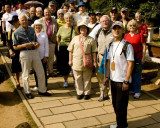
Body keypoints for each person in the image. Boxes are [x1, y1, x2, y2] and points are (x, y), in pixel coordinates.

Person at [13, 14, 51, 99]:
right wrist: (24, 45)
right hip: (24, 53)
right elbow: (15, 46)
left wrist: (36, 44)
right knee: (26, 74)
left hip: (34, 52)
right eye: (22, 20)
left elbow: (35, 41)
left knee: (41, 72)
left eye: (26, 20)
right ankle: (27, 92)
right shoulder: (16, 32)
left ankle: (42, 90)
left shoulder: (31, 29)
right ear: (19, 21)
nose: (24, 21)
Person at [104, 21, 134, 128]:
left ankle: (122, 125)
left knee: (121, 106)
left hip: (122, 81)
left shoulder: (127, 45)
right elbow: (108, 62)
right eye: (114, 28)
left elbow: (131, 64)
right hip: (113, 79)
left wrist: (126, 80)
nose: (116, 30)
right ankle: (120, 123)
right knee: (115, 105)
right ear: (111, 30)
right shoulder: (111, 44)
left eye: (119, 28)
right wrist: (107, 76)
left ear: (122, 30)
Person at [68, 20, 97, 100]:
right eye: (81, 28)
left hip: (87, 61)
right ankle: (79, 92)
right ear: (79, 29)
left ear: (87, 29)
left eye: (84, 28)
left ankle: (87, 92)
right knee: (77, 78)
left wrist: (94, 61)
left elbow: (94, 51)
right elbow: (70, 50)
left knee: (87, 78)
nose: (83, 29)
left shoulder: (91, 39)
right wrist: (70, 60)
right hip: (76, 61)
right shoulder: (75, 38)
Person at [124, 19, 146, 99]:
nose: (132, 27)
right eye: (130, 25)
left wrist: (143, 57)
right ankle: (131, 89)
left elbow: (144, 46)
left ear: (136, 26)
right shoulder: (126, 35)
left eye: (133, 25)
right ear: (128, 27)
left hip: (137, 58)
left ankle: (137, 91)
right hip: (129, 59)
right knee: (129, 74)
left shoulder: (140, 35)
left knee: (137, 75)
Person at [57, 12, 76, 88]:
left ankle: (75, 80)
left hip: (73, 49)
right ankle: (65, 80)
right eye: (67, 18)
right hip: (63, 49)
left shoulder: (75, 29)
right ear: (64, 19)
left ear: (72, 19)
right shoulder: (61, 28)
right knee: (64, 66)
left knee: (74, 66)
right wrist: (58, 46)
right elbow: (58, 38)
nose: (68, 19)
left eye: (70, 18)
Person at [96, 15, 113, 102]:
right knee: (101, 77)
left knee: (111, 77)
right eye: (103, 21)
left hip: (111, 59)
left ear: (109, 22)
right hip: (100, 57)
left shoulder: (113, 31)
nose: (105, 22)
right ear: (100, 23)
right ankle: (103, 94)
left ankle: (111, 95)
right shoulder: (99, 32)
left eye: (106, 21)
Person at [39, 8, 58, 77]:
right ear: (44, 13)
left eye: (49, 12)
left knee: (51, 58)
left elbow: (57, 30)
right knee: (44, 57)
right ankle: (44, 72)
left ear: (51, 13)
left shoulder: (54, 21)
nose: (47, 14)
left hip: (52, 41)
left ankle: (50, 71)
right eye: (46, 12)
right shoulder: (40, 21)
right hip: (43, 42)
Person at [32, 20, 49, 91]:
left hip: (42, 56)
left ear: (41, 26)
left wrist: (46, 56)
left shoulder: (44, 35)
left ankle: (44, 85)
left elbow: (46, 46)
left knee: (43, 71)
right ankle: (37, 85)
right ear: (34, 27)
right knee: (35, 71)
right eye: (36, 26)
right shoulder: (32, 34)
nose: (37, 27)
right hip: (34, 56)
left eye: (39, 25)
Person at [8, 15, 22, 90]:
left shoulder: (22, 29)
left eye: (16, 22)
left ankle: (25, 81)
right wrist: (10, 50)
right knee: (16, 67)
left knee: (23, 66)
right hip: (14, 50)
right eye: (13, 22)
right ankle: (17, 81)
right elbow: (9, 42)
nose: (15, 23)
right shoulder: (11, 31)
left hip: (22, 49)